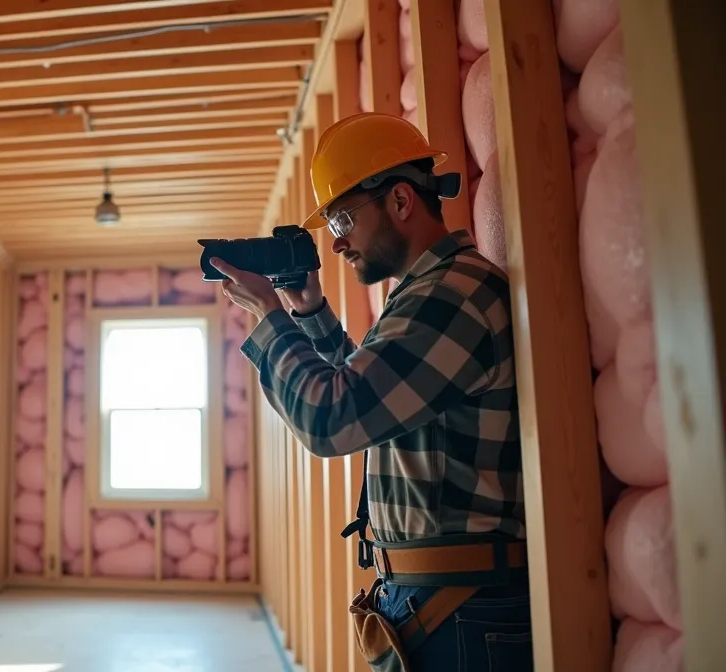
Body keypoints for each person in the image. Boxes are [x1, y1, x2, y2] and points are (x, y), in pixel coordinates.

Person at [211, 112, 531, 672]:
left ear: (402, 202)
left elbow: (331, 419)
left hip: (462, 608)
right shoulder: (426, 293)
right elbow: (370, 398)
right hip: (442, 602)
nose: (336, 245)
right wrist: (306, 310)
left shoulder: (453, 295)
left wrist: (267, 315)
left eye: (341, 221)